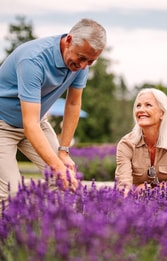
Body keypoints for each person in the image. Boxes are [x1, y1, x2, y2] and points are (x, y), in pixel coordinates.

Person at [0, 18, 106, 204]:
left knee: (63, 184)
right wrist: (56, 165)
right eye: (81, 58)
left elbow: (73, 104)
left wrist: (63, 152)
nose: (83, 66)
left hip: (37, 122)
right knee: (12, 195)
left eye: (90, 61)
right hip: (3, 125)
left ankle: (59, 231)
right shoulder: (33, 60)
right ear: (69, 40)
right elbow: (29, 124)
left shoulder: (82, 62)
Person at [115, 88, 167, 195]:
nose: (141, 110)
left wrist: (148, 190)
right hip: (135, 205)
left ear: (162, 113)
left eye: (148, 105)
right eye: (138, 105)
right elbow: (123, 186)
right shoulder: (126, 144)